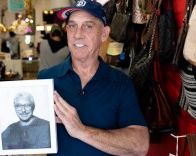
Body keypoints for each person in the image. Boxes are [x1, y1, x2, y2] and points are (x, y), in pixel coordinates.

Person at [37, 0, 150, 155]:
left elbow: (140, 145)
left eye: (88, 26)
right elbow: (34, 132)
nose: (77, 34)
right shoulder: (45, 79)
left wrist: (81, 130)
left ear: (104, 34)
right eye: (72, 26)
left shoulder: (121, 83)